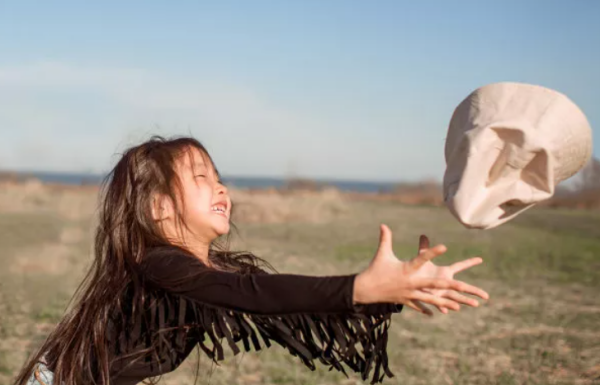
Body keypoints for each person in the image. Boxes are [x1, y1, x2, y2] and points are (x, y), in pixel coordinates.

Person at [15, 136, 489, 385]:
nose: (221, 187)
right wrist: (361, 287)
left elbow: (283, 303)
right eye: (202, 178)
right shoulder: (159, 266)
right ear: (159, 207)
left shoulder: (209, 272)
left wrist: (387, 292)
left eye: (220, 178)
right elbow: (254, 296)